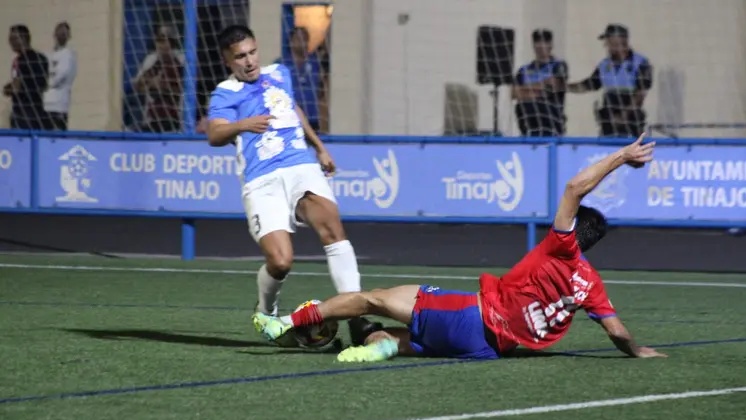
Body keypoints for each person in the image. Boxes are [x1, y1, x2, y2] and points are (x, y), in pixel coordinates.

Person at [253, 134, 668, 362]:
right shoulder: (589, 283)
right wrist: (637, 350)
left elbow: (575, 186)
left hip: (473, 316)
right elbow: (615, 330)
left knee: (369, 299)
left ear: (574, 231)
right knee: (390, 334)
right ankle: (379, 348)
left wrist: (621, 157)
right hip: (490, 349)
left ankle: (285, 322)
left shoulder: (561, 246)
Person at [206, 25, 380, 346]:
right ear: (227, 61)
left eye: (252, 52)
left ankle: (356, 318)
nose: (249, 61)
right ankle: (266, 311)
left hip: (300, 166)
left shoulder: (279, 73)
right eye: (240, 57)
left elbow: (292, 109)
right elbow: (214, 134)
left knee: (331, 228)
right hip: (262, 181)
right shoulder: (224, 93)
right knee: (281, 261)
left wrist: (319, 146)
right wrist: (244, 124)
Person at [567, 24, 652, 137]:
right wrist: (565, 87)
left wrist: (623, 116)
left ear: (619, 41)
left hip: (631, 123)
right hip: (609, 122)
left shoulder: (640, 63)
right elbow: (589, 84)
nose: (606, 45)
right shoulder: (605, 64)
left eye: (609, 42)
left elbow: (640, 94)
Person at [512, 29, 568, 136]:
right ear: (533, 45)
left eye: (545, 42)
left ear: (551, 45)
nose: (541, 45)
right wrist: (541, 87)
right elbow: (514, 93)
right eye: (538, 42)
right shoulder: (524, 69)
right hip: (528, 124)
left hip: (552, 123)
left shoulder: (558, 65)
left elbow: (552, 87)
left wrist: (525, 90)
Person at [3, 25, 49, 130]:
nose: (11, 42)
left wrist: (7, 88)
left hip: (22, 113)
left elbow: (15, 87)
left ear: (23, 38)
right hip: (39, 111)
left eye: (14, 39)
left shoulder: (19, 61)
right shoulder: (42, 58)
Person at [43, 22, 77, 131]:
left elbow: (59, 77)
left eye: (65, 33)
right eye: (60, 32)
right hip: (45, 105)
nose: (62, 35)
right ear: (54, 34)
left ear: (69, 36)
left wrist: (45, 83)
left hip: (59, 106)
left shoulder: (69, 56)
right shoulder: (48, 55)